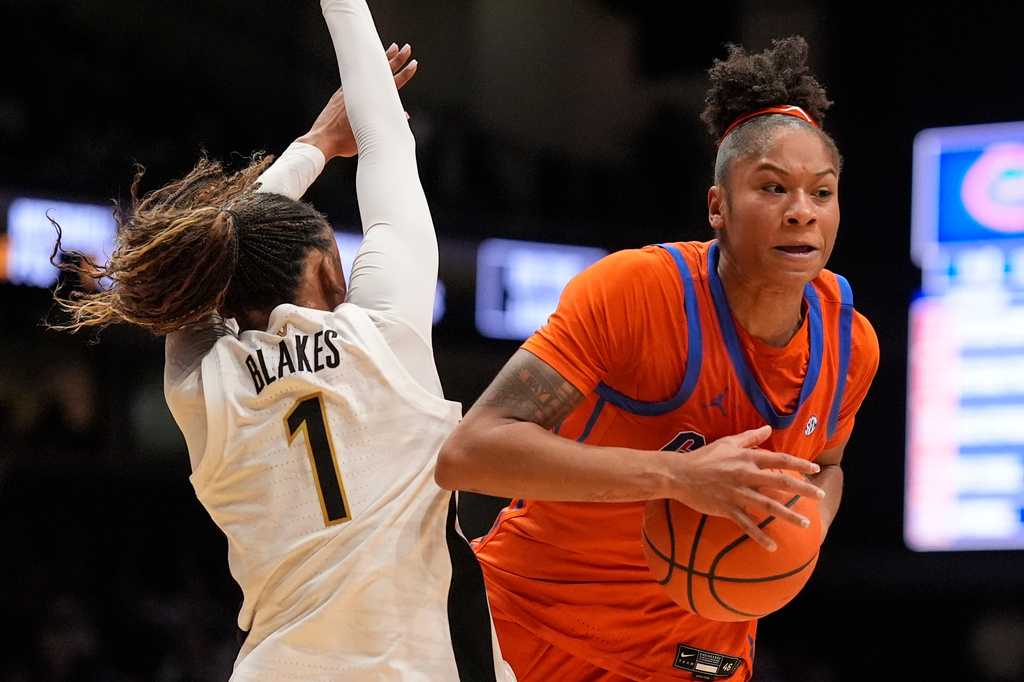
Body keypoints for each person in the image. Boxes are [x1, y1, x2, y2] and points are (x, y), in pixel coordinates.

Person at [50, 1, 514, 679]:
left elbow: (209, 272)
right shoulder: (383, 339)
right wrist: (321, 140)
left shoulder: (203, 383)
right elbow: (387, 143)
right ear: (330, 265)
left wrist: (316, 146)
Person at [436, 36, 879, 682]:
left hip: (694, 659)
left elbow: (828, 466)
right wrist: (677, 478)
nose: (801, 213)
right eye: (773, 187)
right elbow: (469, 453)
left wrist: (804, 523)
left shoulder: (849, 344)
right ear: (717, 207)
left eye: (822, 192)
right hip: (526, 631)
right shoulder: (637, 292)